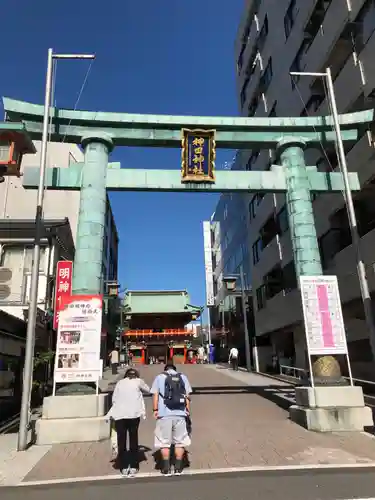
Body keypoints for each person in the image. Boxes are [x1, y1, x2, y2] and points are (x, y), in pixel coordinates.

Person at [151, 362, 192, 476]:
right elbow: (187, 396)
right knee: (180, 441)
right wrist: (187, 411)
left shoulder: (159, 378)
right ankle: (178, 467)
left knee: (164, 442)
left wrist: (155, 410)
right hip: (180, 413)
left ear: (165, 369)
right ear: (175, 369)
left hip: (164, 415)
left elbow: (155, 395)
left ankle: (166, 468)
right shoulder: (182, 377)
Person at [107, 368, 150, 477]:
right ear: (136, 375)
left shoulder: (119, 383)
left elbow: (114, 399)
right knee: (133, 439)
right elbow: (149, 390)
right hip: (133, 415)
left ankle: (123, 466)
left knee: (121, 440)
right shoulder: (138, 381)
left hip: (120, 415)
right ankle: (134, 465)